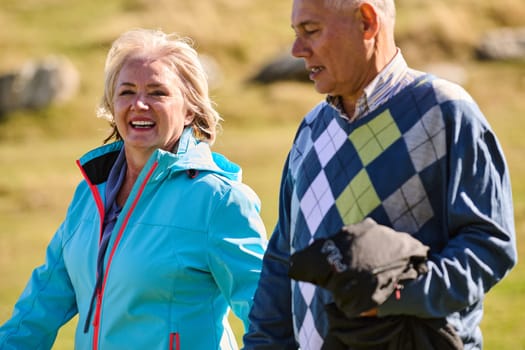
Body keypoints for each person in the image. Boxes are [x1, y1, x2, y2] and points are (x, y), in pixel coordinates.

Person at [243, 0, 517, 349]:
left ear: (367, 22)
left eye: (311, 31)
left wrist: (393, 294)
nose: (297, 50)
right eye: (295, 34)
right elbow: (284, 260)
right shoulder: (311, 129)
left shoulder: (446, 111)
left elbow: (489, 245)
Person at [0, 28, 267, 350]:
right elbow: (43, 302)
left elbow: (266, 314)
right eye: (126, 92)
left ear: (189, 109)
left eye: (158, 92)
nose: (139, 104)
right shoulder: (90, 192)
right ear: (111, 105)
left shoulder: (218, 199)